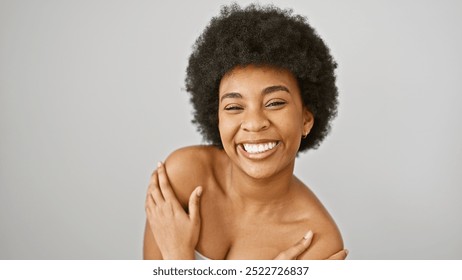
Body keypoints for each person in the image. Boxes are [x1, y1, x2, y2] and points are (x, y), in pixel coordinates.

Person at [143, 3, 346, 260]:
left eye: (274, 103)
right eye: (234, 106)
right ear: (216, 117)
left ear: (306, 119)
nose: (254, 123)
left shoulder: (317, 241)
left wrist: (178, 256)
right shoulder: (183, 176)